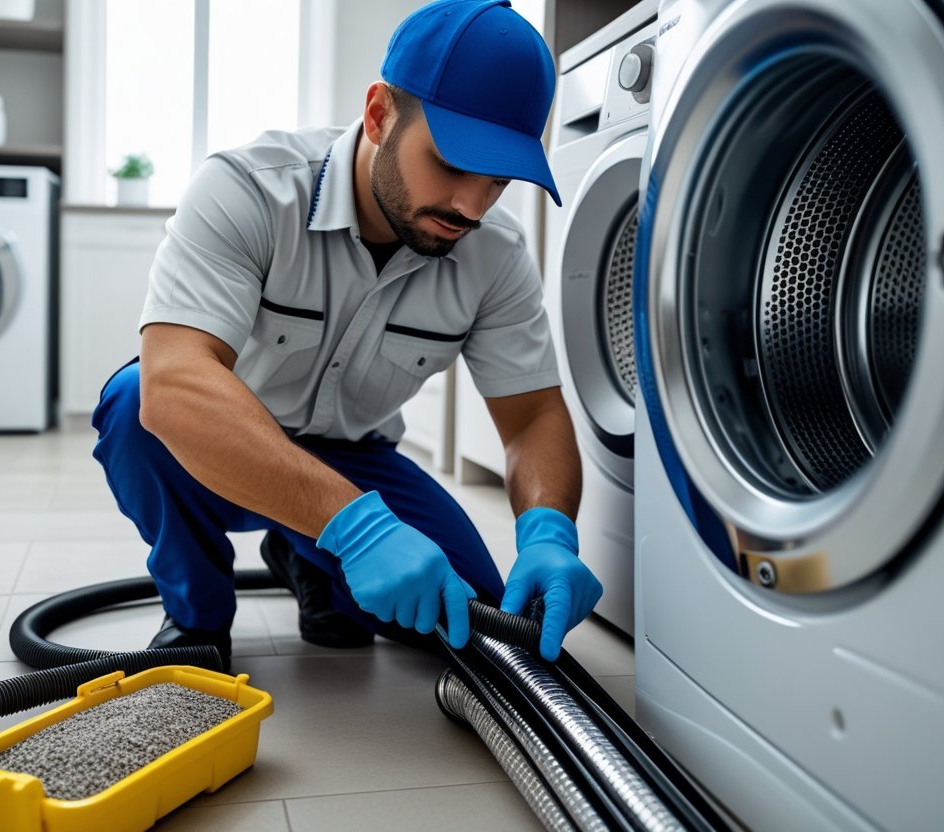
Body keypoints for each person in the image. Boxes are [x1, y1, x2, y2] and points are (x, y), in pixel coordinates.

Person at [92, 0, 603, 673]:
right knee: (137, 405)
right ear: (378, 114)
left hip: (353, 456)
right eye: (452, 164)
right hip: (219, 445)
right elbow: (176, 385)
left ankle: (300, 553)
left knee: (464, 615)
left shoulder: (496, 256)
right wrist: (356, 528)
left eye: (499, 181)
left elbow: (533, 413)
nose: (471, 209)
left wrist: (549, 532)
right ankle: (197, 613)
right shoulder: (248, 191)